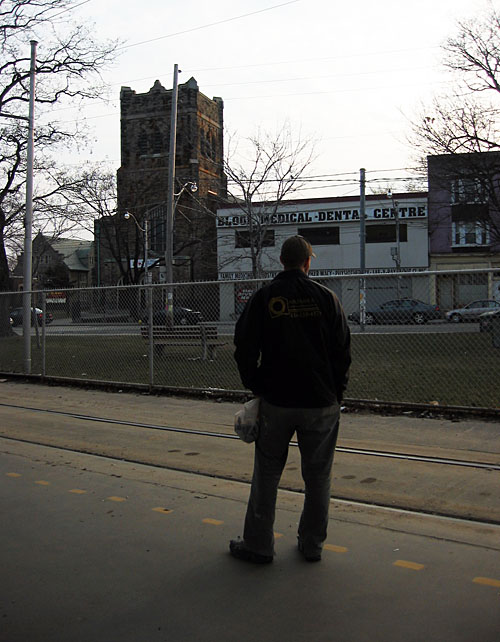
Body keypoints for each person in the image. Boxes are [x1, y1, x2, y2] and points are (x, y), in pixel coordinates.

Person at [230, 235, 351, 564]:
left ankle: (258, 545)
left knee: (267, 475)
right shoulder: (327, 299)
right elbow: (343, 351)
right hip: (321, 402)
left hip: (277, 402)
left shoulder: (264, 298)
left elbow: (244, 348)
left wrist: (256, 386)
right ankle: (311, 545)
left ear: (281, 262)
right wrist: (336, 391)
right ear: (307, 262)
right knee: (318, 477)